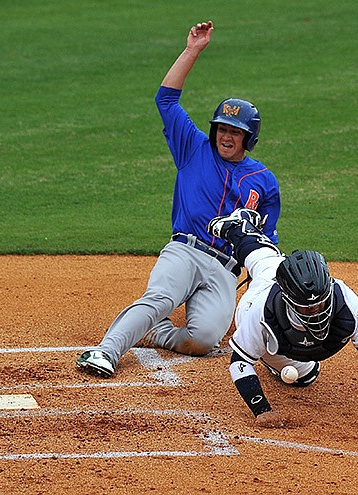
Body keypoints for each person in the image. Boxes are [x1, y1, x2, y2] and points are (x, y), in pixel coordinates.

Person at [76, 21, 281, 378]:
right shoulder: (193, 147)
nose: (226, 137)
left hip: (224, 270)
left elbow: (268, 241)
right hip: (185, 250)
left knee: (204, 339)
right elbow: (166, 99)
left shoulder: (264, 181)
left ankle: (154, 331)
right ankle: (106, 351)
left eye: (235, 132)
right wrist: (192, 50)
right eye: (222, 128)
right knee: (160, 299)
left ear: (249, 138)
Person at [206, 209, 358, 433]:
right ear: (289, 301)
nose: (315, 311)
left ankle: (243, 229)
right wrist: (262, 410)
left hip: (285, 291)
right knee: (265, 267)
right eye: (306, 307)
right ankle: (238, 230)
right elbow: (240, 363)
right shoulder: (263, 312)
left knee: (305, 376)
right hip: (257, 302)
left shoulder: (344, 299)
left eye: (320, 303)